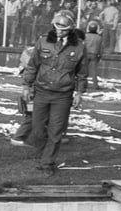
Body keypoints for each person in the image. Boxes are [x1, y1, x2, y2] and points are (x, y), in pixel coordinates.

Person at [23, 10, 87, 177]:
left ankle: (47, 163)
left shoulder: (79, 47)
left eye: (63, 28)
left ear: (71, 29)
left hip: (63, 95)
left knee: (56, 131)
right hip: (42, 92)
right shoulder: (43, 41)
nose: (59, 31)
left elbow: (81, 73)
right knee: (37, 129)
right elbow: (33, 65)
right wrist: (26, 86)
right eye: (57, 27)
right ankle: (44, 153)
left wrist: (79, 93)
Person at [85, 20, 103, 90]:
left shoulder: (85, 36)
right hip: (94, 54)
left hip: (86, 54)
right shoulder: (99, 37)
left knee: (84, 71)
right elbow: (100, 48)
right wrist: (101, 56)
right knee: (94, 71)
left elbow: (83, 45)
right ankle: (95, 85)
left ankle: (84, 84)